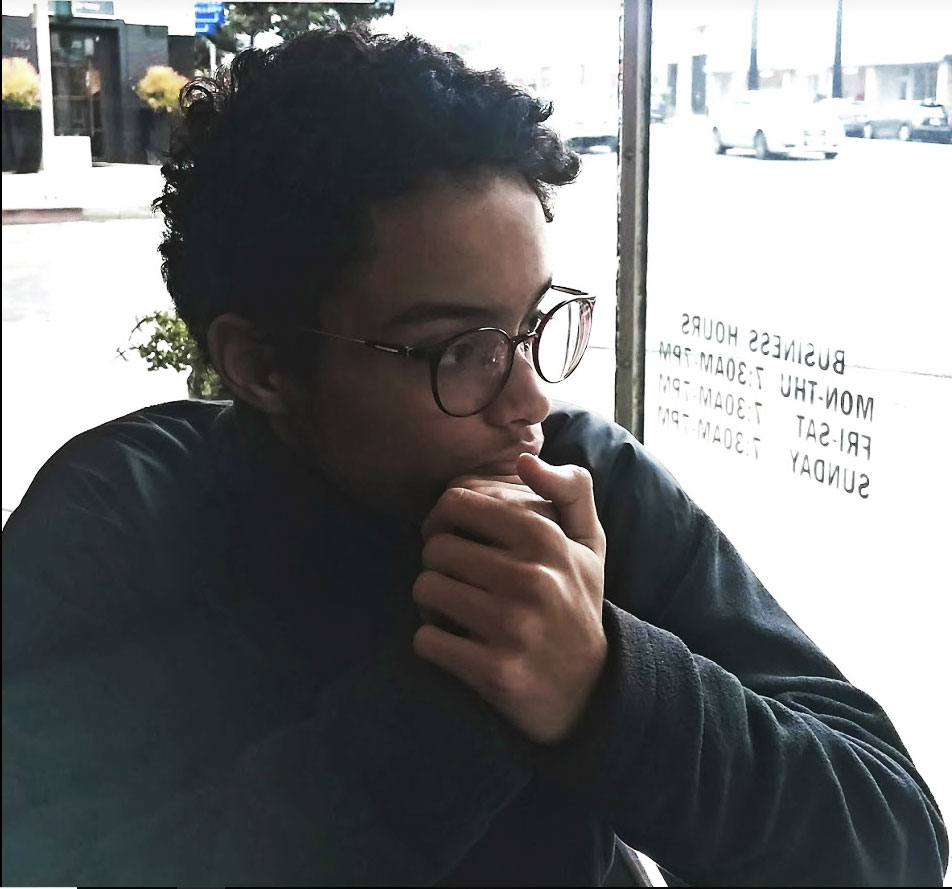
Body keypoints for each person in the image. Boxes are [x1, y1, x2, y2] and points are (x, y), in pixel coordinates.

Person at [1, 25, 947, 888]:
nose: (531, 400)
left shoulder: (584, 481)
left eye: (534, 324)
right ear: (262, 366)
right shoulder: (119, 523)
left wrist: (606, 686)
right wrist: (472, 692)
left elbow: (894, 842)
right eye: (461, 349)